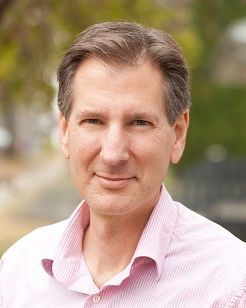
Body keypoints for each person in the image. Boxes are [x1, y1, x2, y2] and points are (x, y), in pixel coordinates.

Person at [0, 21, 246, 308]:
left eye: (139, 122)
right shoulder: (18, 270)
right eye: (93, 121)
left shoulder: (232, 284)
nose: (113, 153)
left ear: (177, 135)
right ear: (65, 132)